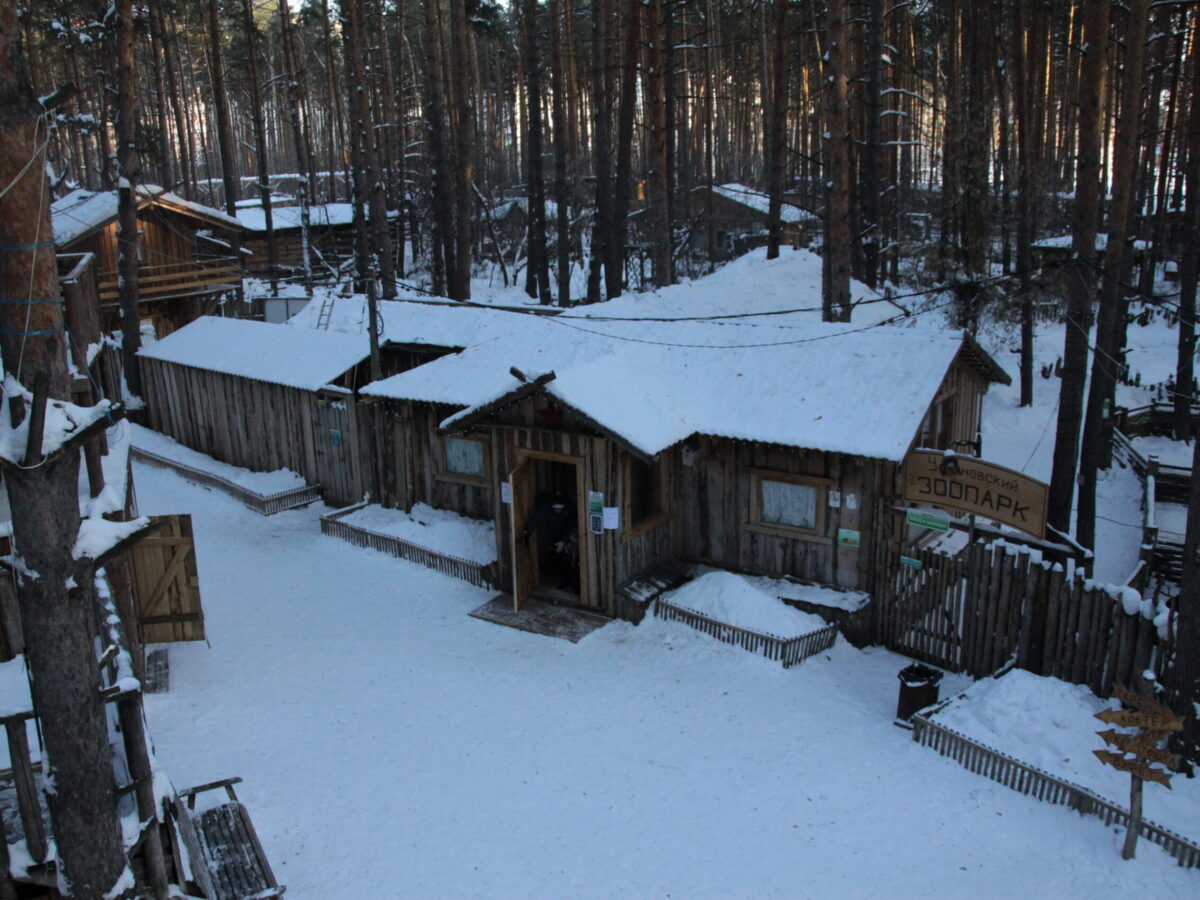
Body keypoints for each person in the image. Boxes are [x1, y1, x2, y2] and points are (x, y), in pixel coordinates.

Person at [520, 491, 579, 593]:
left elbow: (571, 525)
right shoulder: (546, 507)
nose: (557, 511)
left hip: (568, 535)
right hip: (554, 534)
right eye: (555, 509)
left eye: (560, 509)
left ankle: (574, 583)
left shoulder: (569, 509)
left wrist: (564, 541)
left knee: (572, 560)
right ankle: (566, 579)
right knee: (559, 557)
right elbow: (536, 519)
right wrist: (527, 531)